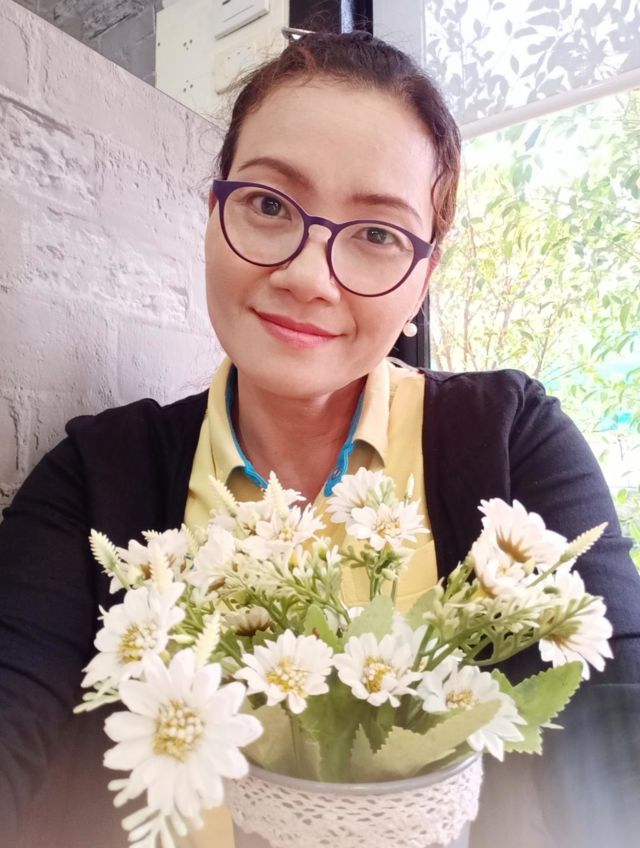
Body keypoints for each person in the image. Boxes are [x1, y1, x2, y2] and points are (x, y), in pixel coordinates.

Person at [1, 29, 639, 848]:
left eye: (377, 234)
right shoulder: (96, 478)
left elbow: (614, 714)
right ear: (213, 213)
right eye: (269, 205)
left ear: (424, 277)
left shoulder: (511, 441)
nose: (308, 276)